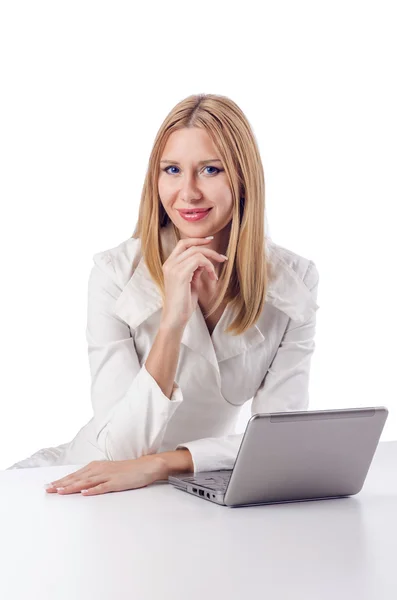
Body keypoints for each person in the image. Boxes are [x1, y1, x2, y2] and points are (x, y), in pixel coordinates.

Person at [6, 93, 320, 498]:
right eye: (172, 170)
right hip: (87, 485)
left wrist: (162, 463)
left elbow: (280, 441)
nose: (187, 193)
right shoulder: (115, 275)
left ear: (243, 179)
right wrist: (171, 323)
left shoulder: (292, 283)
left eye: (210, 170)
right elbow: (119, 450)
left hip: (191, 488)